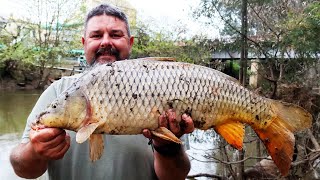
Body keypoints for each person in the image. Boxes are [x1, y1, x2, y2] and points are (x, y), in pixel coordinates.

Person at [10, 4, 195, 180]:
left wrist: (167, 148)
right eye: (96, 35)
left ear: (130, 43)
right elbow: (22, 169)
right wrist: (35, 151)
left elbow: (175, 177)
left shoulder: (163, 88)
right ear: (84, 43)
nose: (106, 42)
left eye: (115, 35)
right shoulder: (59, 92)